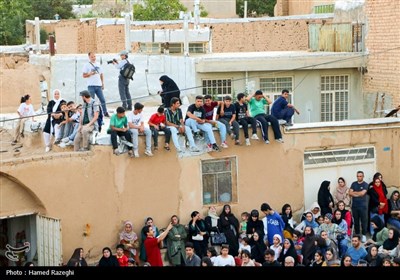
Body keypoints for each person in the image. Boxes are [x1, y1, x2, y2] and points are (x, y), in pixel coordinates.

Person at [82, 52, 108, 117]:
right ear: (89, 57)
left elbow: (101, 74)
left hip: (98, 85)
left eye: (94, 56)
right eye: (92, 57)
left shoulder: (98, 64)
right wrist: (89, 74)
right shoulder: (86, 65)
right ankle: (91, 114)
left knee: (102, 100)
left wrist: (102, 83)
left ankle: (105, 112)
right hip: (91, 85)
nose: (93, 58)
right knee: (91, 101)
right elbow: (84, 75)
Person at [349, 171, 369, 243]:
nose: (359, 177)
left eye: (360, 176)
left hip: (363, 206)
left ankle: (363, 235)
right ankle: (357, 235)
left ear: (363, 176)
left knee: (364, 221)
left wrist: (355, 193)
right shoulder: (353, 184)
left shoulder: (365, 184)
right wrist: (358, 193)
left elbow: (362, 193)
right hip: (355, 206)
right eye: (358, 176)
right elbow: (350, 193)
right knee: (356, 221)